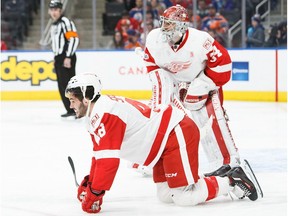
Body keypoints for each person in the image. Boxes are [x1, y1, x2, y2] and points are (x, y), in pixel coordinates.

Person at [65, 73, 259, 214]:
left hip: (175, 133)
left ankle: (231, 180)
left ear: (87, 95)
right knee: (166, 195)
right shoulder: (97, 114)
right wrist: (89, 184)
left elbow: (109, 163)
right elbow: (99, 157)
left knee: (185, 197)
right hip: (161, 146)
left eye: (73, 100)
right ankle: (220, 175)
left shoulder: (105, 113)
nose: (70, 105)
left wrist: (95, 193)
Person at [142, 4, 240, 175]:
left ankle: (226, 162)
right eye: (164, 22)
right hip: (173, 82)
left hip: (199, 81)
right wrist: (162, 86)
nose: (163, 27)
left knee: (209, 120)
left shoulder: (201, 40)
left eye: (169, 24)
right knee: (160, 115)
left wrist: (202, 85)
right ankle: (153, 158)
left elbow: (223, 66)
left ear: (181, 26)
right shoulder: (153, 38)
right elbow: (150, 63)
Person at [48, 0, 79, 118]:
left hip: (66, 56)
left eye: (56, 10)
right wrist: (56, 57)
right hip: (59, 57)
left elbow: (73, 39)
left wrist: (68, 56)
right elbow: (55, 43)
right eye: (52, 10)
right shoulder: (53, 24)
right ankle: (70, 109)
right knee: (62, 85)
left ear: (60, 11)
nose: (54, 12)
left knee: (70, 86)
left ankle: (78, 110)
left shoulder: (65, 22)